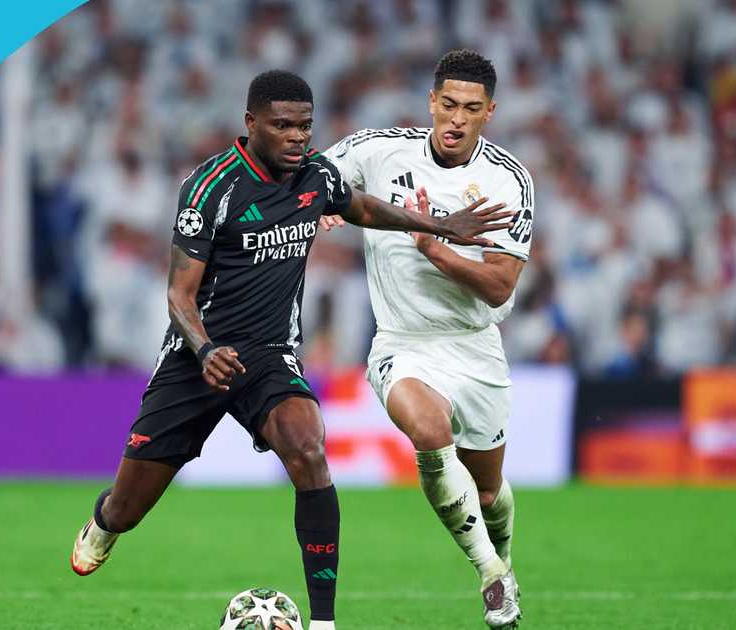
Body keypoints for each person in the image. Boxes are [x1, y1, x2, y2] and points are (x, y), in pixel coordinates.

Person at [69, 69, 512, 630]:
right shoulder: (211, 189)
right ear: (251, 124)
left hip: (270, 355)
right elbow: (179, 297)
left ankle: (323, 622)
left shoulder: (316, 176)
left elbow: (364, 208)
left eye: (305, 126)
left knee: (309, 449)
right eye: (283, 126)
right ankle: (104, 522)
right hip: (195, 358)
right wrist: (205, 350)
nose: (298, 137)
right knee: (128, 508)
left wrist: (436, 224)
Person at [322, 49, 533, 628]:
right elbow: (311, 178)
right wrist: (324, 204)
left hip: (474, 345)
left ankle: (504, 562)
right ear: (431, 103)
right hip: (401, 342)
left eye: (470, 108)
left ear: (489, 112)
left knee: (488, 493)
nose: (455, 118)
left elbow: (499, 287)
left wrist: (434, 248)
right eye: (447, 105)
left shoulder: (508, 180)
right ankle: (491, 575)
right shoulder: (378, 149)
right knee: (428, 430)